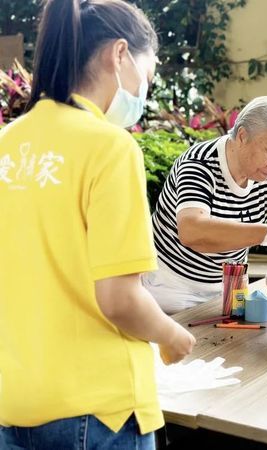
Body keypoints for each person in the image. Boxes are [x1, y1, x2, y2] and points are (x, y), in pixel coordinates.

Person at [0, 1, 195, 448]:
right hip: (97, 411)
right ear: (119, 54)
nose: (144, 91)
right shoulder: (110, 147)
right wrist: (170, 335)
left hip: (13, 401)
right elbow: (120, 299)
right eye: (147, 76)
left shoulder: (6, 143)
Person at [144, 96, 267, 314]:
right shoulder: (199, 164)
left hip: (229, 287)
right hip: (170, 288)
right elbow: (192, 232)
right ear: (242, 136)